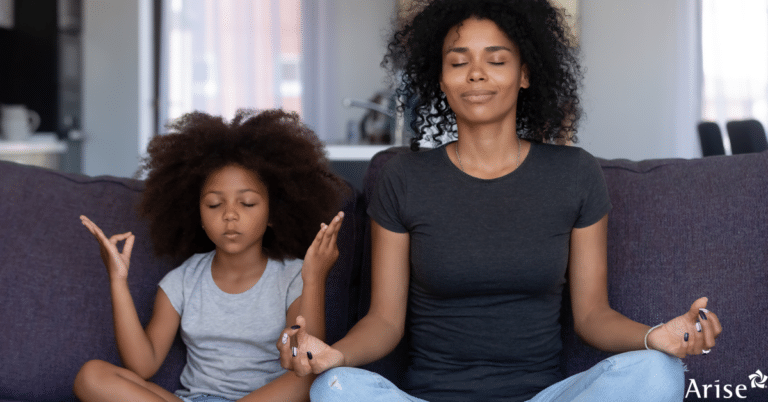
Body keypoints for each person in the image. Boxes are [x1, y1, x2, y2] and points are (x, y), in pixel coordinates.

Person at [279, 1, 723, 401]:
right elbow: (384, 322)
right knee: (335, 389)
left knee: (659, 374)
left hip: (542, 398)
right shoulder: (404, 177)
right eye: (458, 62)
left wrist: (656, 337)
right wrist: (335, 357)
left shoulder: (574, 174)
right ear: (441, 78)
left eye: (496, 60)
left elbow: (592, 315)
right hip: (430, 398)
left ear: (525, 73)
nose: (476, 74)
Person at [73, 109, 348, 402]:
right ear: (198, 215)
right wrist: (117, 280)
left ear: (273, 213)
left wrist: (315, 278)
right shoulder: (182, 281)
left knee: (309, 380)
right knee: (92, 376)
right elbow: (143, 364)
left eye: (247, 203)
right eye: (215, 205)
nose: (230, 215)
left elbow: (305, 358)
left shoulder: (293, 276)